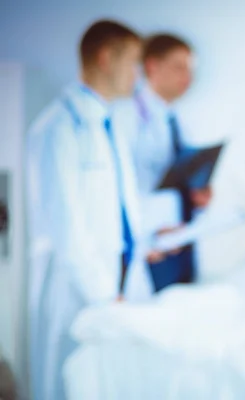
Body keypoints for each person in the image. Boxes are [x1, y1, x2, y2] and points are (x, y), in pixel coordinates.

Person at [26, 20, 143, 400]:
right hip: (75, 287)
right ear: (106, 58)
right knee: (62, 382)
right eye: (133, 63)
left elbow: (119, 210)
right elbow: (66, 227)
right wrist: (103, 296)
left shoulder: (109, 124)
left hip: (114, 279)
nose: (136, 75)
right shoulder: (58, 127)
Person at [116, 33, 211, 292]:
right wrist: (146, 237)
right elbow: (122, 191)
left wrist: (197, 196)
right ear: (152, 66)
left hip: (181, 238)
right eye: (179, 67)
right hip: (150, 244)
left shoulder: (177, 120)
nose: (188, 77)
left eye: (190, 69)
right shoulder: (126, 118)